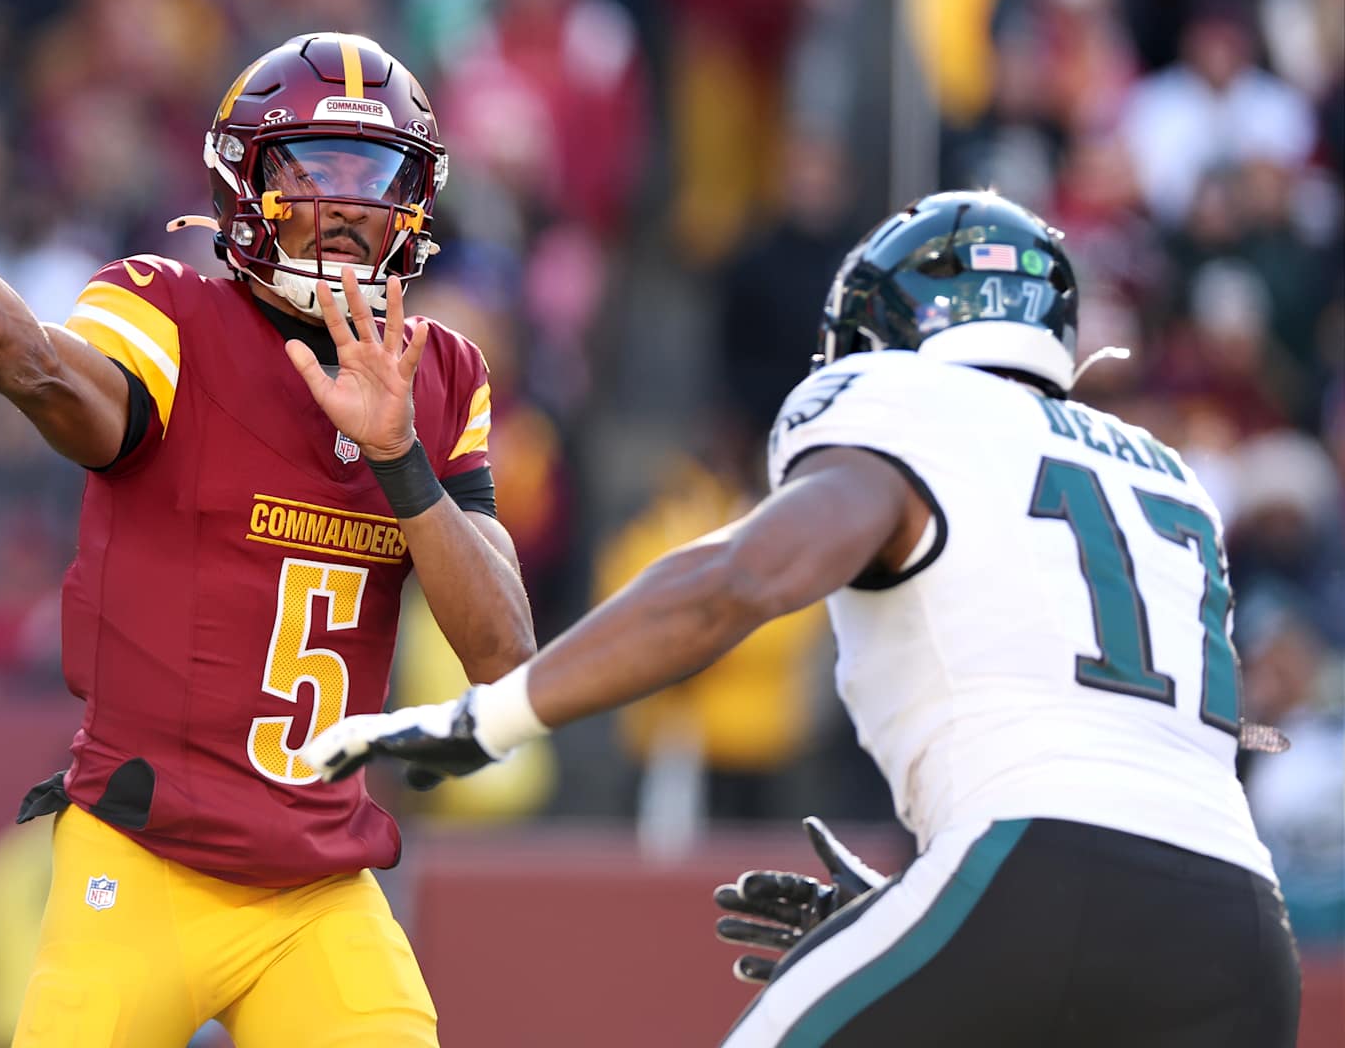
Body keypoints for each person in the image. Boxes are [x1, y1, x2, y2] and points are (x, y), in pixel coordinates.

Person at [304, 192, 1301, 1047]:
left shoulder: (908, 407)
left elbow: (741, 578)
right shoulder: (1166, 476)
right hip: (1245, 935)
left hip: (1030, 874)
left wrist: (499, 716)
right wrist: (923, 910)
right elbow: (1098, 748)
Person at [0, 30, 534, 1048]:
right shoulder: (165, 314)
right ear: (241, 187)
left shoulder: (442, 376)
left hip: (317, 887)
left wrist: (400, 460)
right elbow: (30, 366)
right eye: (315, 178)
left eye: (378, 182)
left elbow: (505, 658)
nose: (347, 213)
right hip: (143, 859)